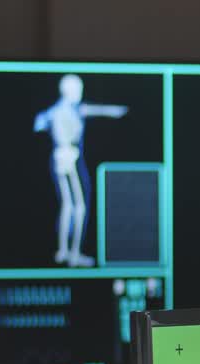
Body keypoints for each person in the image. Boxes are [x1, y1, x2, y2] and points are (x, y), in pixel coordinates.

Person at [33, 74, 128, 268]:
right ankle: (71, 253)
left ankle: (66, 251)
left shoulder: (67, 110)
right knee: (78, 206)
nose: (80, 93)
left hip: (65, 157)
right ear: (68, 90)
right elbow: (39, 123)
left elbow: (94, 109)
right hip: (67, 158)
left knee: (70, 204)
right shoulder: (61, 111)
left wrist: (115, 111)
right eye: (77, 89)